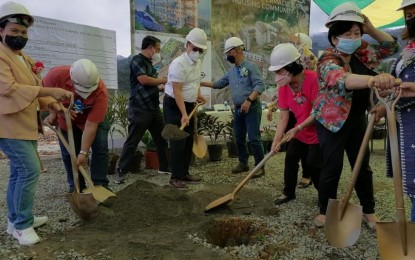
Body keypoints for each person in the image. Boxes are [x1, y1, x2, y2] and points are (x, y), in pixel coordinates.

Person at [311, 2, 399, 227]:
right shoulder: (327, 59)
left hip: (358, 118)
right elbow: (341, 79)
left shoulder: (363, 52)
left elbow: (391, 47)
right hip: (331, 122)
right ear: (334, 38)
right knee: (332, 166)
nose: (353, 37)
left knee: (362, 166)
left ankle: (368, 210)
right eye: (347, 33)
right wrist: (372, 80)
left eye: (356, 32)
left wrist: (369, 29)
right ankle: (325, 209)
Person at [0, 1, 71, 246]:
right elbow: (9, 88)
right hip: (8, 125)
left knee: (19, 172)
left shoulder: (23, 58)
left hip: (25, 124)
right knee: (29, 170)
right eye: (14, 31)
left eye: (23, 32)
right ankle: (22, 226)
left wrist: (51, 102)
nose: (19, 36)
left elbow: (36, 89)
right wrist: (52, 90)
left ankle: (15, 221)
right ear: (1, 30)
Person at [43, 59, 110, 193]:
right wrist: (54, 112)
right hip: (66, 120)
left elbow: (91, 126)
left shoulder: (101, 91)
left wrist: (83, 153)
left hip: (91, 121)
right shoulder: (56, 75)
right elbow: (45, 95)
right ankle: (77, 186)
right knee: (69, 154)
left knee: (100, 149)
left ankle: (100, 185)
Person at [201, 37, 265, 177]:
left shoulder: (251, 67)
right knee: (239, 137)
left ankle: (260, 166)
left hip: (251, 107)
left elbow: (260, 85)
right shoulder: (231, 72)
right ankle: (243, 163)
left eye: (228, 53)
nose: (227, 56)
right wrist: (200, 83)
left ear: (236, 51)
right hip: (238, 109)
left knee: (254, 138)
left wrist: (248, 101)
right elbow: (218, 84)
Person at [268, 43, 321, 205]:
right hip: (300, 131)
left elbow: (317, 112)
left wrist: (297, 128)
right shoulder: (284, 87)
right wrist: (276, 141)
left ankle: (324, 196)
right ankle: (288, 192)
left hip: (318, 131)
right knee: (290, 158)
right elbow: (284, 117)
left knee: (314, 163)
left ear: (291, 67)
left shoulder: (313, 80)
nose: (277, 76)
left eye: (279, 71)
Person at [378, 0, 415, 223]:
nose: (411, 20)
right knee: (412, 187)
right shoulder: (407, 51)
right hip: (406, 128)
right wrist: (383, 105)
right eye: (408, 16)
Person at [114, 35, 170, 184]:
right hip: (140, 108)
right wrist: (164, 80)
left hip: (153, 108)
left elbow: (150, 84)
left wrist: (160, 87)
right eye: (157, 49)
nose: (158, 52)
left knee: (162, 138)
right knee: (133, 141)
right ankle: (120, 170)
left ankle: (165, 167)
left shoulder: (150, 64)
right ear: (150, 47)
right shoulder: (137, 60)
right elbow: (143, 80)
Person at [163, 28, 207, 189]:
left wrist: (198, 95)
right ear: (187, 45)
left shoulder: (198, 62)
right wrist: (183, 114)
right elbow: (177, 91)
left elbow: (195, 82)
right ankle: (175, 177)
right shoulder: (178, 64)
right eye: (194, 48)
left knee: (188, 140)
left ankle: (185, 173)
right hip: (174, 105)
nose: (197, 52)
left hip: (189, 104)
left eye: (200, 50)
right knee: (178, 140)